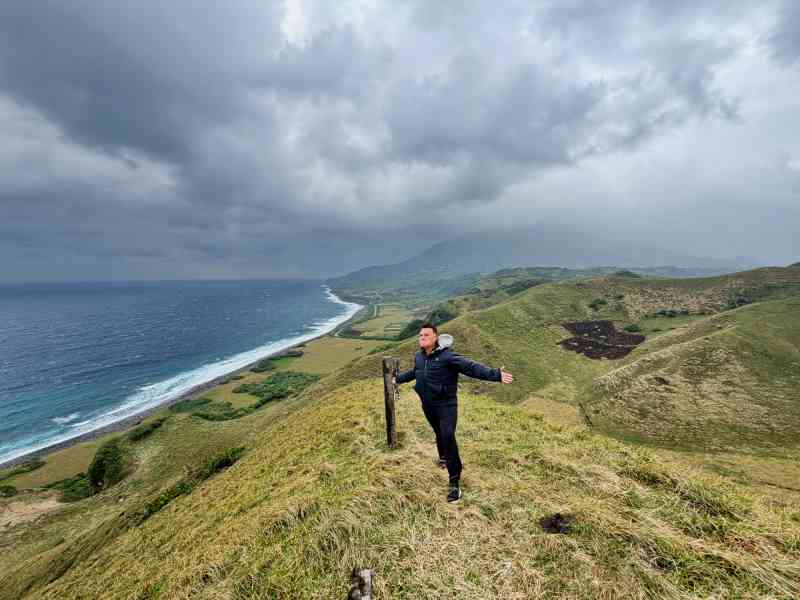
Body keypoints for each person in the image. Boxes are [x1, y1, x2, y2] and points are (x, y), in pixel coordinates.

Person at [392, 322, 513, 503]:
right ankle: (443, 458)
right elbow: (415, 372)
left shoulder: (448, 356)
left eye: (426, 335)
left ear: (435, 338)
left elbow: (470, 367)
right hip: (428, 404)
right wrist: (397, 380)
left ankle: (454, 482)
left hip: (446, 405)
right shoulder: (419, 357)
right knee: (439, 433)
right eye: (420, 335)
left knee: (448, 436)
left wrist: (495, 374)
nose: (422, 337)